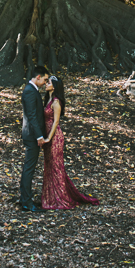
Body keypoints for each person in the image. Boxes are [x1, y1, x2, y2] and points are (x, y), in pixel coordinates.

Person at [40, 75, 99, 210]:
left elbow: (56, 121)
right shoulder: (48, 99)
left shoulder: (56, 101)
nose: (46, 84)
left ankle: (60, 198)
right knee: (49, 166)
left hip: (55, 137)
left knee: (56, 167)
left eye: (48, 82)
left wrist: (49, 137)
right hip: (48, 135)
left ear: (54, 86)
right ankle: (50, 197)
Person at [19, 65, 50, 212]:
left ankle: (26, 198)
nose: (45, 82)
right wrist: (39, 136)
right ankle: (26, 201)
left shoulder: (32, 90)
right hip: (32, 136)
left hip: (31, 134)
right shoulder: (30, 91)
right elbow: (32, 116)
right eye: (44, 79)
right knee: (29, 169)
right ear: (38, 77)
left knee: (29, 168)